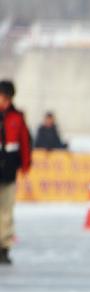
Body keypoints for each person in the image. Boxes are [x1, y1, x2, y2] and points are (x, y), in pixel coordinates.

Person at [0, 79, 32, 266]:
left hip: (8, 170)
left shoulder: (17, 118)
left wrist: (26, 165)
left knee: (6, 212)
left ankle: (3, 247)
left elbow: (25, 143)